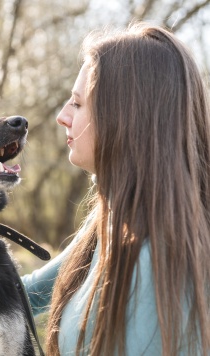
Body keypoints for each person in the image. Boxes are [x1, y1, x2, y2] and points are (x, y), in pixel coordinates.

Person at [22, 22, 210, 356]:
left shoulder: (157, 256)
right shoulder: (111, 223)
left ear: (123, 119)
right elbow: (27, 293)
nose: (62, 116)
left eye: (77, 104)